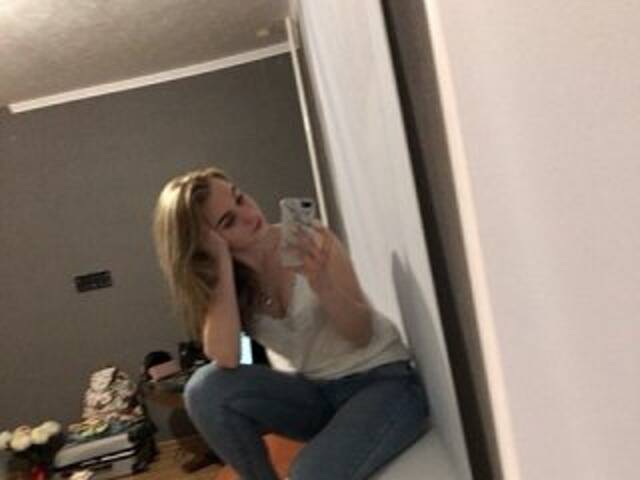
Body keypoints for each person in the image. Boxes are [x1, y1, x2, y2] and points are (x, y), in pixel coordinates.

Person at [153, 166, 429, 480]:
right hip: (318, 395)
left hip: (383, 383)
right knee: (203, 389)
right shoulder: (229, 283)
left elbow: (362, 334)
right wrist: (221, 264)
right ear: (205, 242)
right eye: (228, 222)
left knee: (307, 474)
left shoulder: (309, 239)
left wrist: (323, 284)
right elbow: (226, 357)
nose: (249, 215)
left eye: (240, 198)